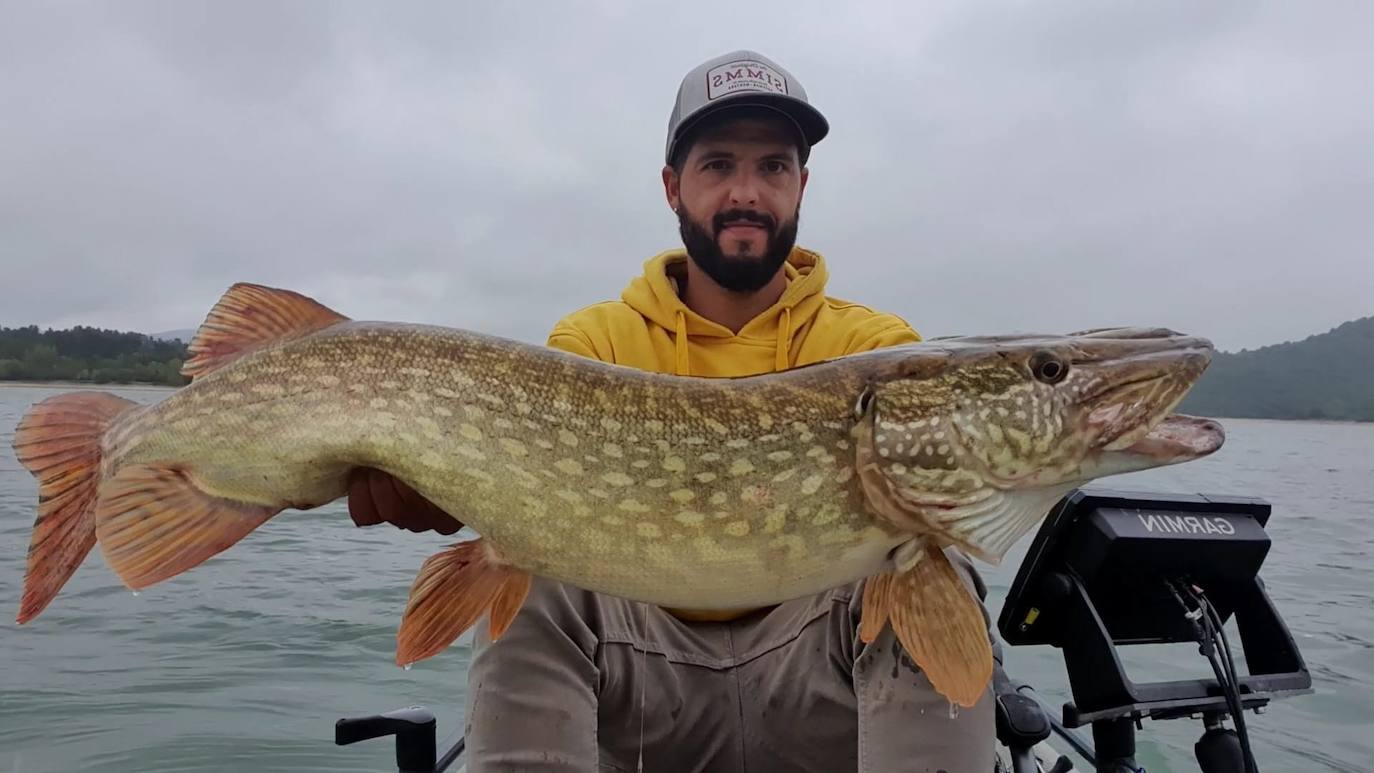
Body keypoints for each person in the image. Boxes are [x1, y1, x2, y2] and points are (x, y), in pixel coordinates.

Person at [347, 50, 996, 772]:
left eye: (773, 167)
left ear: (802, 183)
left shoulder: (875, 348)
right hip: (643, 691)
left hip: (816, 679)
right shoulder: (593, 346)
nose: (746, 192)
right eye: (718, 164)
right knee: (532, 561)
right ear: (672, 187)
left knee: (922, 556)